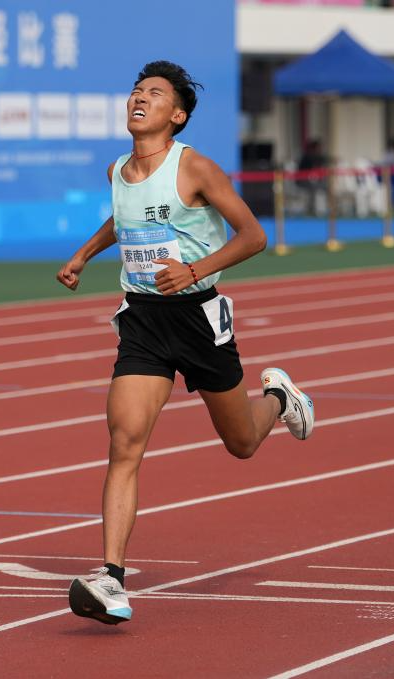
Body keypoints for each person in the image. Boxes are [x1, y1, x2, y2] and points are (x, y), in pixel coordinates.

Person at [56, 61, 315, 626]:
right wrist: (83, 254)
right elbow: (122, 220)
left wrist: (195, 269)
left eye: (153, 93)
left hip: (197, 318)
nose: (139, 98)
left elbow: (254, 236)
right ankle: (112, 578)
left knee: (241, 443)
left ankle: (280, 399)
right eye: (135, 91)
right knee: (124, 441)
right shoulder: (118, 169)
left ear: (176, 115)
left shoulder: (195, 167)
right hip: (143, 320)